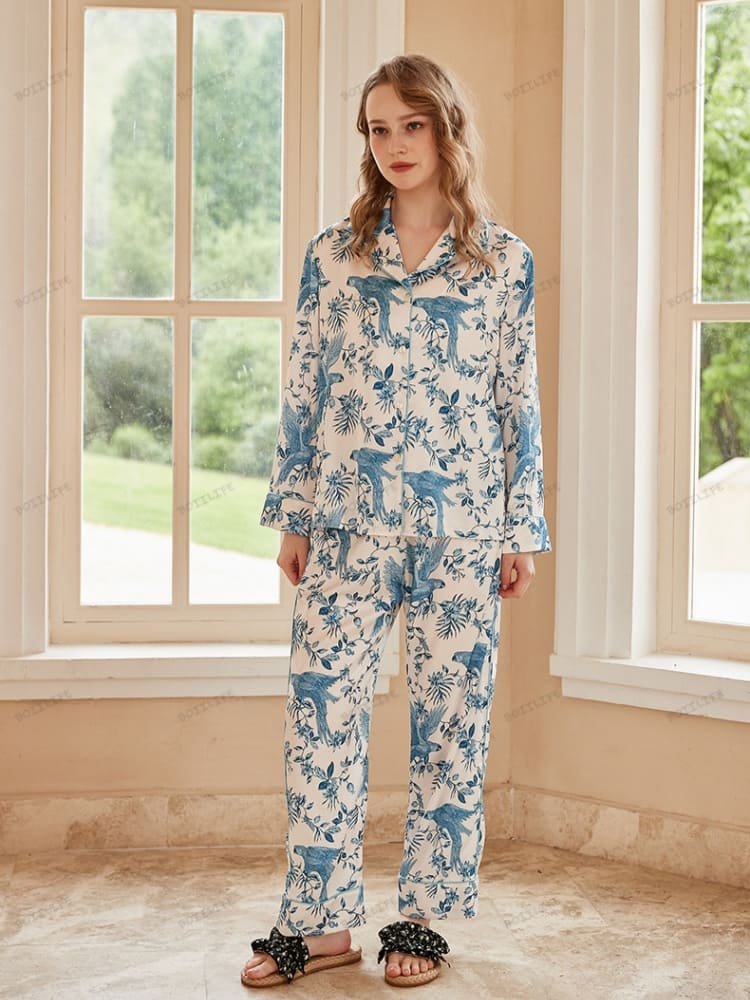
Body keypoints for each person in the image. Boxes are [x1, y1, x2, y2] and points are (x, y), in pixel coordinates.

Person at [241, 53, 552, 990]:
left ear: (445, 129)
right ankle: (319, 921)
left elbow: (517, 401)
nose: (395, 144)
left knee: (451, 722)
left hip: (464, 528)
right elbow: (303, 391)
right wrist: (293, 514)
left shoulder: (504, 263)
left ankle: (422, 917)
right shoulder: (331, 257)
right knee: (322, 715)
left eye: (412, 125)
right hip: (345, 522)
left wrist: (521, 527)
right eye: (379, 128)